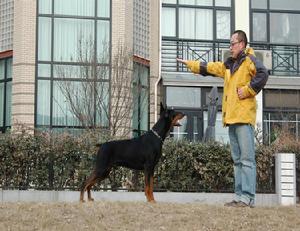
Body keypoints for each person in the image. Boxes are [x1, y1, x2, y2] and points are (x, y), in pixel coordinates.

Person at [177, 30, 269, 208]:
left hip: (243, 118)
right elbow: (210, 67)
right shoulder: (229, 65)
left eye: (232, 44)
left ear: (242, 44)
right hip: (232, 119)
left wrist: (249, 90)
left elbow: (263, 74)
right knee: (237, 161)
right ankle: (239, 196)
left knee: (247, 160)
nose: (230, 47)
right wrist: (190, 64)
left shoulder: (250, 60)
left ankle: (248, 198)